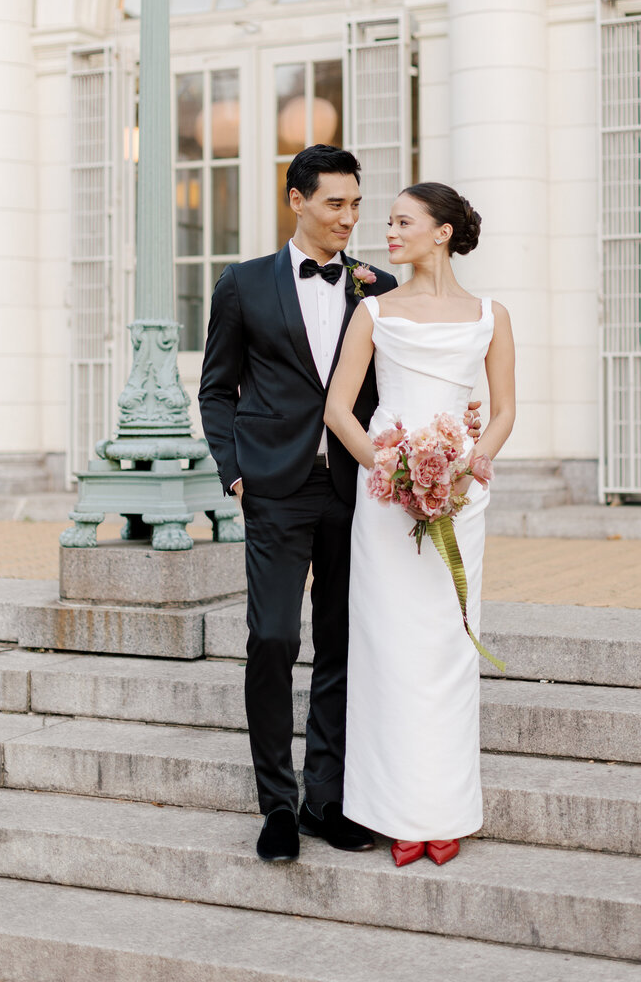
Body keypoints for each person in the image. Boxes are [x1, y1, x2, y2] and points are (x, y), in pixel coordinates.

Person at [198, 147, 480, 863]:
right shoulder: (243, 285)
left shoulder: (379, 288)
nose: (350, 219)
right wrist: (234, 474)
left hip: (361, 494)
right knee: (272, 638)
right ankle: (277, 805)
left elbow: (399, 389)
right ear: (296, 200)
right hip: (273, 488)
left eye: (357, 204)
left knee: (343, 643)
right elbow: (216, 388)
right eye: (335, 205)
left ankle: (326, 799)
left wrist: (448, 432)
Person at [324, 182, 516, 867]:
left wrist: (468, 467)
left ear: (442, 232)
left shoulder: (491, 314)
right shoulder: (374, 312)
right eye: (389, 221)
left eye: (403, 222)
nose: (388, 232)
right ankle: (398, 813)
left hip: (461, 498)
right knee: (389, 653)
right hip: (386, 498)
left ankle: (446, 812)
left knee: (446, 654)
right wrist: (392, 466)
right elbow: (339, 411)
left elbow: (501, 411)